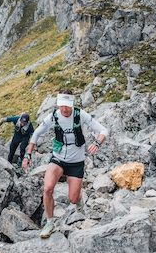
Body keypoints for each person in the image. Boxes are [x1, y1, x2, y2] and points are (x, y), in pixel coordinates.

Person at [22, 89, 108, 239]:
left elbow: (103, 130)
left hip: (76, 162)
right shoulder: (54, 116)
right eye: (61, 105)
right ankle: (50, 223)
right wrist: (28, 154)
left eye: (67, 106)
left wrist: (97, 143)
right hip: (58, 158)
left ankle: (79, 199)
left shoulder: (80, 115)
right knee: (48, 188)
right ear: (58, 104)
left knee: (73, 199)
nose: (64, 109)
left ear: (72, 104)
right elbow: (36, 134)